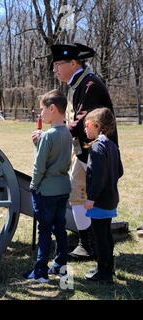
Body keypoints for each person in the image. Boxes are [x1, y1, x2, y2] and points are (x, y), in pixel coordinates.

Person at [33, 43, 118, 261]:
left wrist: (55, 133)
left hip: (95, 153)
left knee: (87, 196)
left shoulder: (90, 85)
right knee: (78, 195)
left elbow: (82, 121)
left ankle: (93, 245)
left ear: (73, 63)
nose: (54, 69)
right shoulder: (79, 84)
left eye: (58, 64)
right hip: (85, 152)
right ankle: (89, 243)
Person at [25, 90, 72, 283]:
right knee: (60, 228)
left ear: (52, 109)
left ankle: (41, 272)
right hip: (63, 187)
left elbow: (39, 166)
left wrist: (33, 186)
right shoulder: (67, 133)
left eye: (43, 109)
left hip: (46, 190)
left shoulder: (47, 136)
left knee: (44, 231)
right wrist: (40, 142)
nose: (40, 113)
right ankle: (61, 266)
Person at [83, 108, 123, 282]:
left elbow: (98, 177)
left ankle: (104, 273)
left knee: (100, 237)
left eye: (87, 125)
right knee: (106, 234)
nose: (85, 129)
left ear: (97, 125)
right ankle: (106, 266)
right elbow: (119, 171)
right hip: (111, 198)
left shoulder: (98, 148)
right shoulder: (112, 145)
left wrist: (91, 197)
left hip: (99, 200)